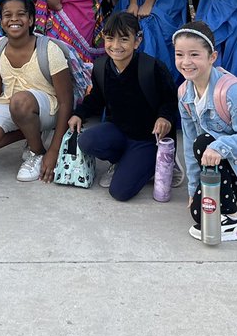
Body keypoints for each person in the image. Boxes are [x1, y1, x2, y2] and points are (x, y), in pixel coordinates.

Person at [175, 22, 237, 243]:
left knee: (204, 143)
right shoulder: (184, 92)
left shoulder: (233, 93)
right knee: (198, 213)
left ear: (212, 56)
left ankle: (234, 221)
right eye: (179, 54)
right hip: (225, 156)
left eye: (194, 54)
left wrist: (218, 147)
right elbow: (188, 143)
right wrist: (193, 190)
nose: (186, 62)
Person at [68, 11, 179, 201]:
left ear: (137, 41)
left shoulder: (152, 68)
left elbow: (170, 100)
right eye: (110, 39)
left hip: (147, 138)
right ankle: (120, 160)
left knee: (119, 192)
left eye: (124, 39)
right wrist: (79, 113)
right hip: (118, 131)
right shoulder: (102, 66)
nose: (116, 46)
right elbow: (97, 97)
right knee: (86, 141)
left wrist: (165, 117)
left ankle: (159, 161)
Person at [0, 0, 75, 182]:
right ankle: (37, 143)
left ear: (31, 19)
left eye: (21, 14)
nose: (14, 19)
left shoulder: (48, 49)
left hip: (48, 109)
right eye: (7, 15)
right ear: (1, 21)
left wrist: (55, 150)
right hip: (14, 105)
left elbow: (66, 101)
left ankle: (37, 153)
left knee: (20, 101)